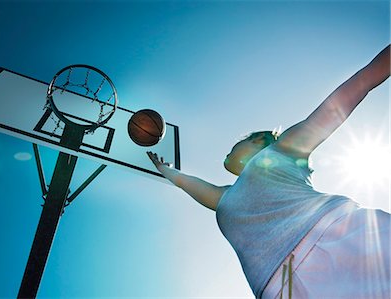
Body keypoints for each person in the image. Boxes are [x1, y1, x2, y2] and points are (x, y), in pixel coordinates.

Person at [147, 45, 390, 299]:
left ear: (258, 141)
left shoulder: (281, 151)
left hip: (341, 237)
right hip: (283, 288)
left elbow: (342, 100)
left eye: (236, 144)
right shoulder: (224, 198)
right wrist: (164, 169)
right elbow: (188, 183)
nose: (229, 151)